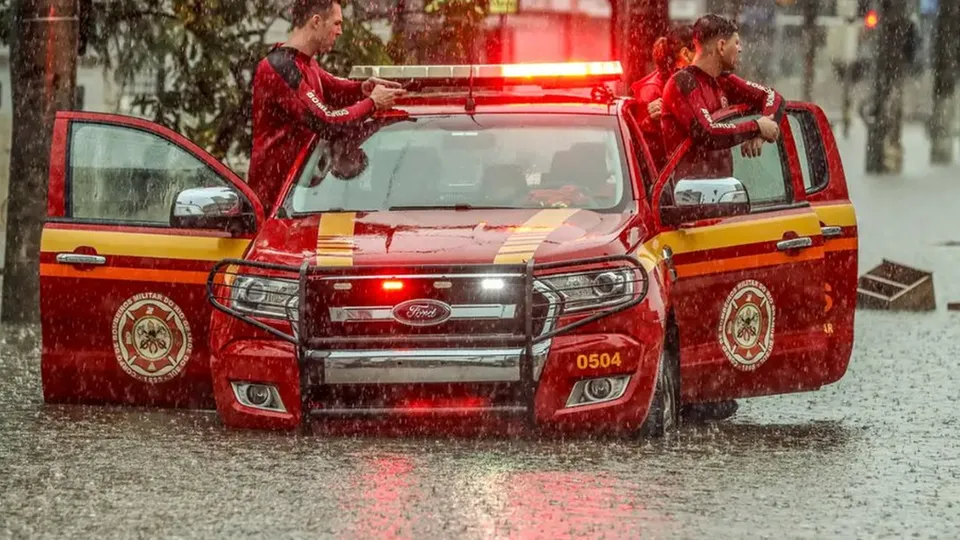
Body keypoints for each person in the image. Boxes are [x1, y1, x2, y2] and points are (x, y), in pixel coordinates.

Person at [247, 0, 406, 212]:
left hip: (299, 200)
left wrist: (363, 88)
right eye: (337, 23)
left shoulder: (304, 63)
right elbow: (326, 121)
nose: (340, 31)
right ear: (316, 21)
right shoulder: (281, 68)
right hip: (274, 206)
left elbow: (333, 88)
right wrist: (372, 103)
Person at [660, 14, 784, 180]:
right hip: (688, 196)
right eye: (737, 43)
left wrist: (762, 133)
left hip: (724, 192)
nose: (740, 49)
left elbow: (772, 95)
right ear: (721, 46)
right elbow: (706, 132)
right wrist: (756, 127)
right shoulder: (683, 82)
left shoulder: (723, 80)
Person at [630, 25, 695, 170]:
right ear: (686, 54)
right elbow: (639, 144)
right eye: (700, 51)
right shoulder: (652, 90)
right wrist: (650, 121)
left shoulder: (690, 81)